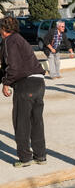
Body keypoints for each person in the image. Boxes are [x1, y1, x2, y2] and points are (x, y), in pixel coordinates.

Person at [0, 17, 47, 167]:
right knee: (36, 121)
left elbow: (13, 67)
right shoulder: (20, 39)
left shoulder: (9, 41)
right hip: (39, 82)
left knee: (21, 122)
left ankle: (25, 158)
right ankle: (40, 156)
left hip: (25, 84)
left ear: (3, 29)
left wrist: (6, 83)